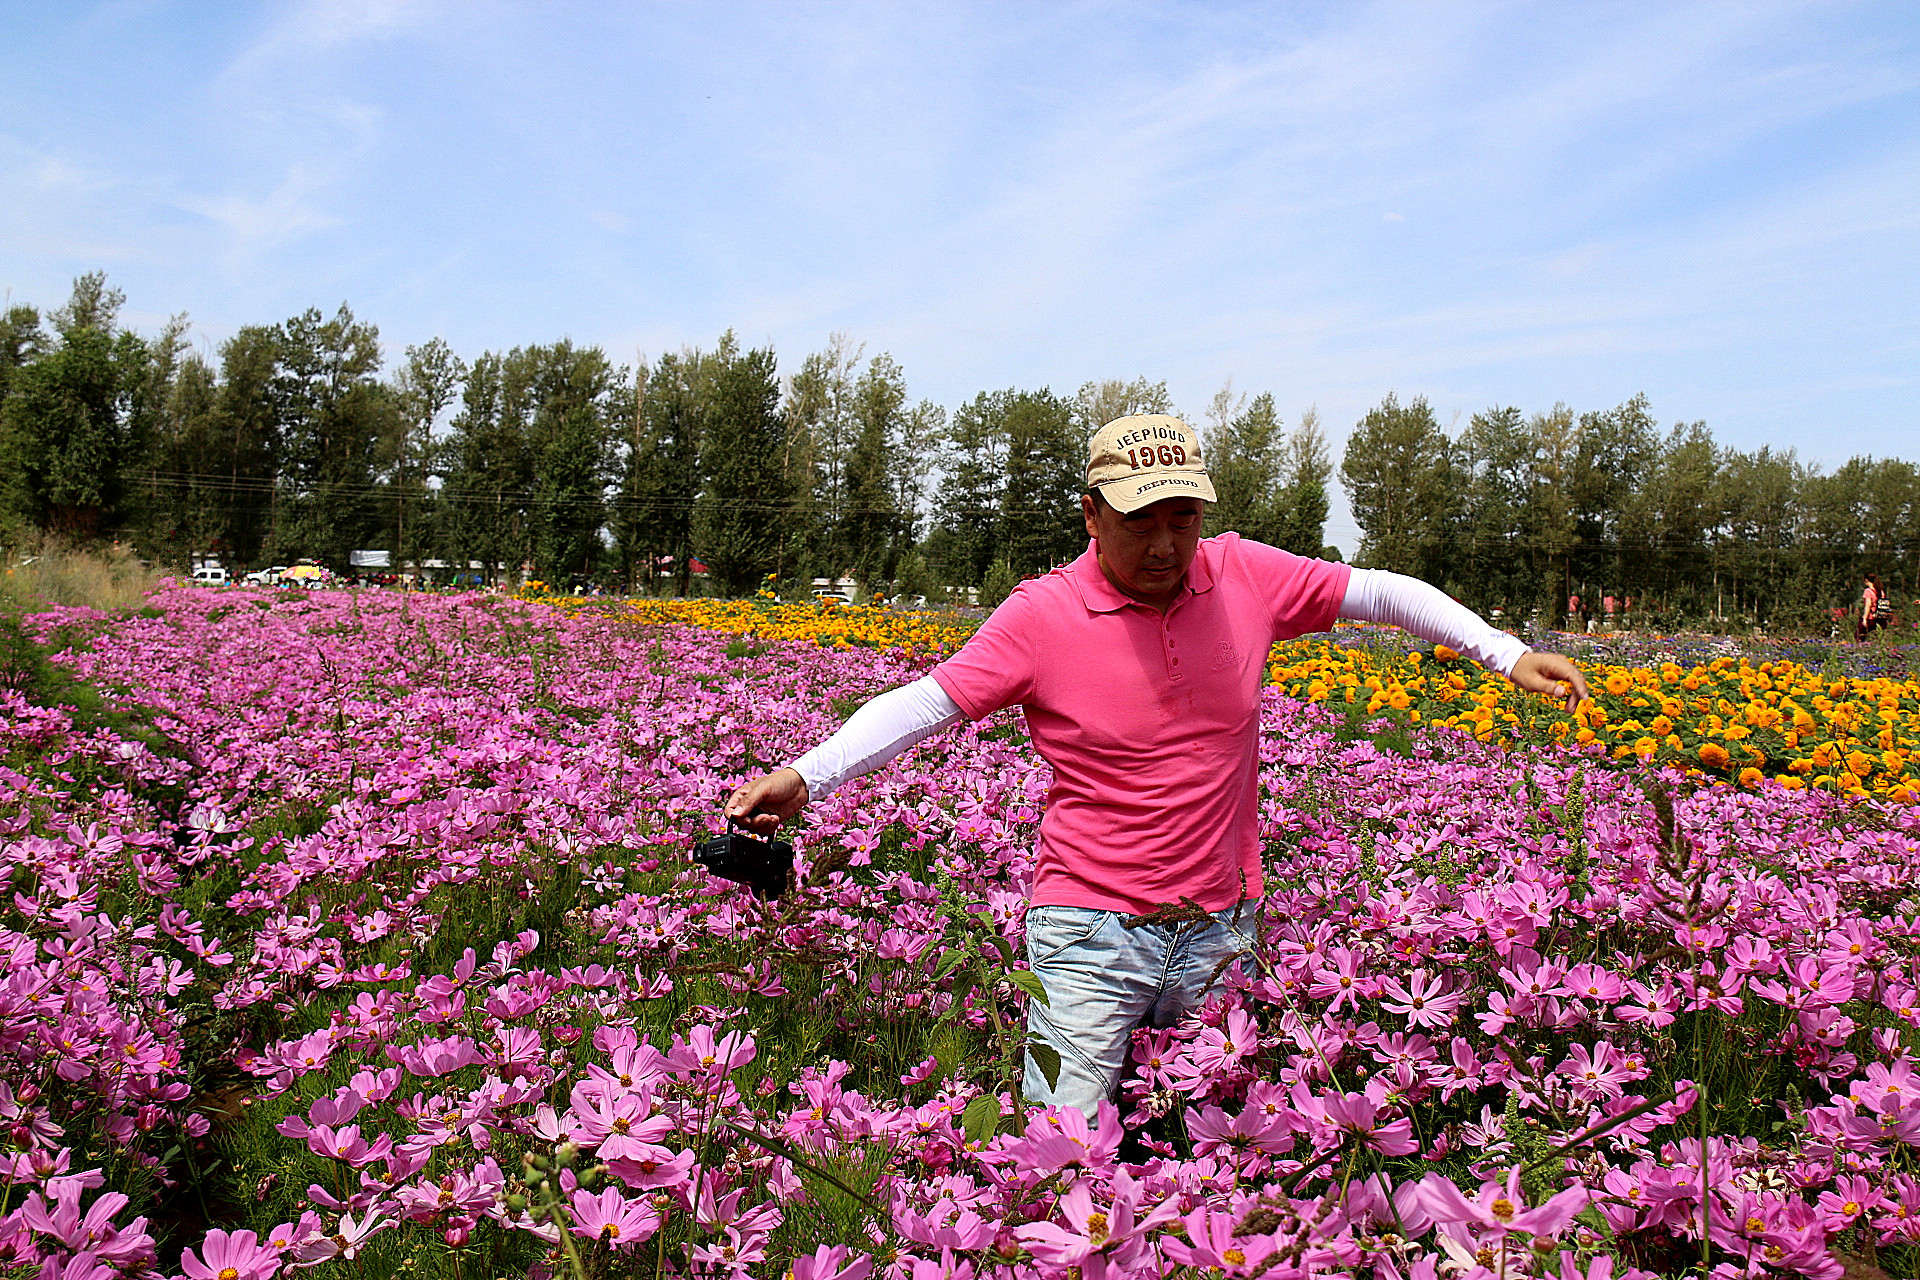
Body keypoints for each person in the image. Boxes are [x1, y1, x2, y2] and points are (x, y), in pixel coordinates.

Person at [723, 414, 1590, 1122]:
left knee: (1205, 1146)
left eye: (1185, 517)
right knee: (1062, 1151)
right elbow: (926, 701)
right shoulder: (1044, 615)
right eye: (1142, 519)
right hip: (1090, 933)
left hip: (1222, 925)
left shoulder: (1242, 574)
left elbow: (1382, 590)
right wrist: (807, 775)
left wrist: (1501, 651)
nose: (1168, 544)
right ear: (1092, 514)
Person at [1859, 573, 1890, 642]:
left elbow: (1868, 605)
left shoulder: (1868, 591)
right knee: (1878, 638)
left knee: (1860, 637)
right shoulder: (1881, 591)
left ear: (1866, 580)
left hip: (1871, 617)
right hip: (1880, 617)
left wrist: (1864, 618)